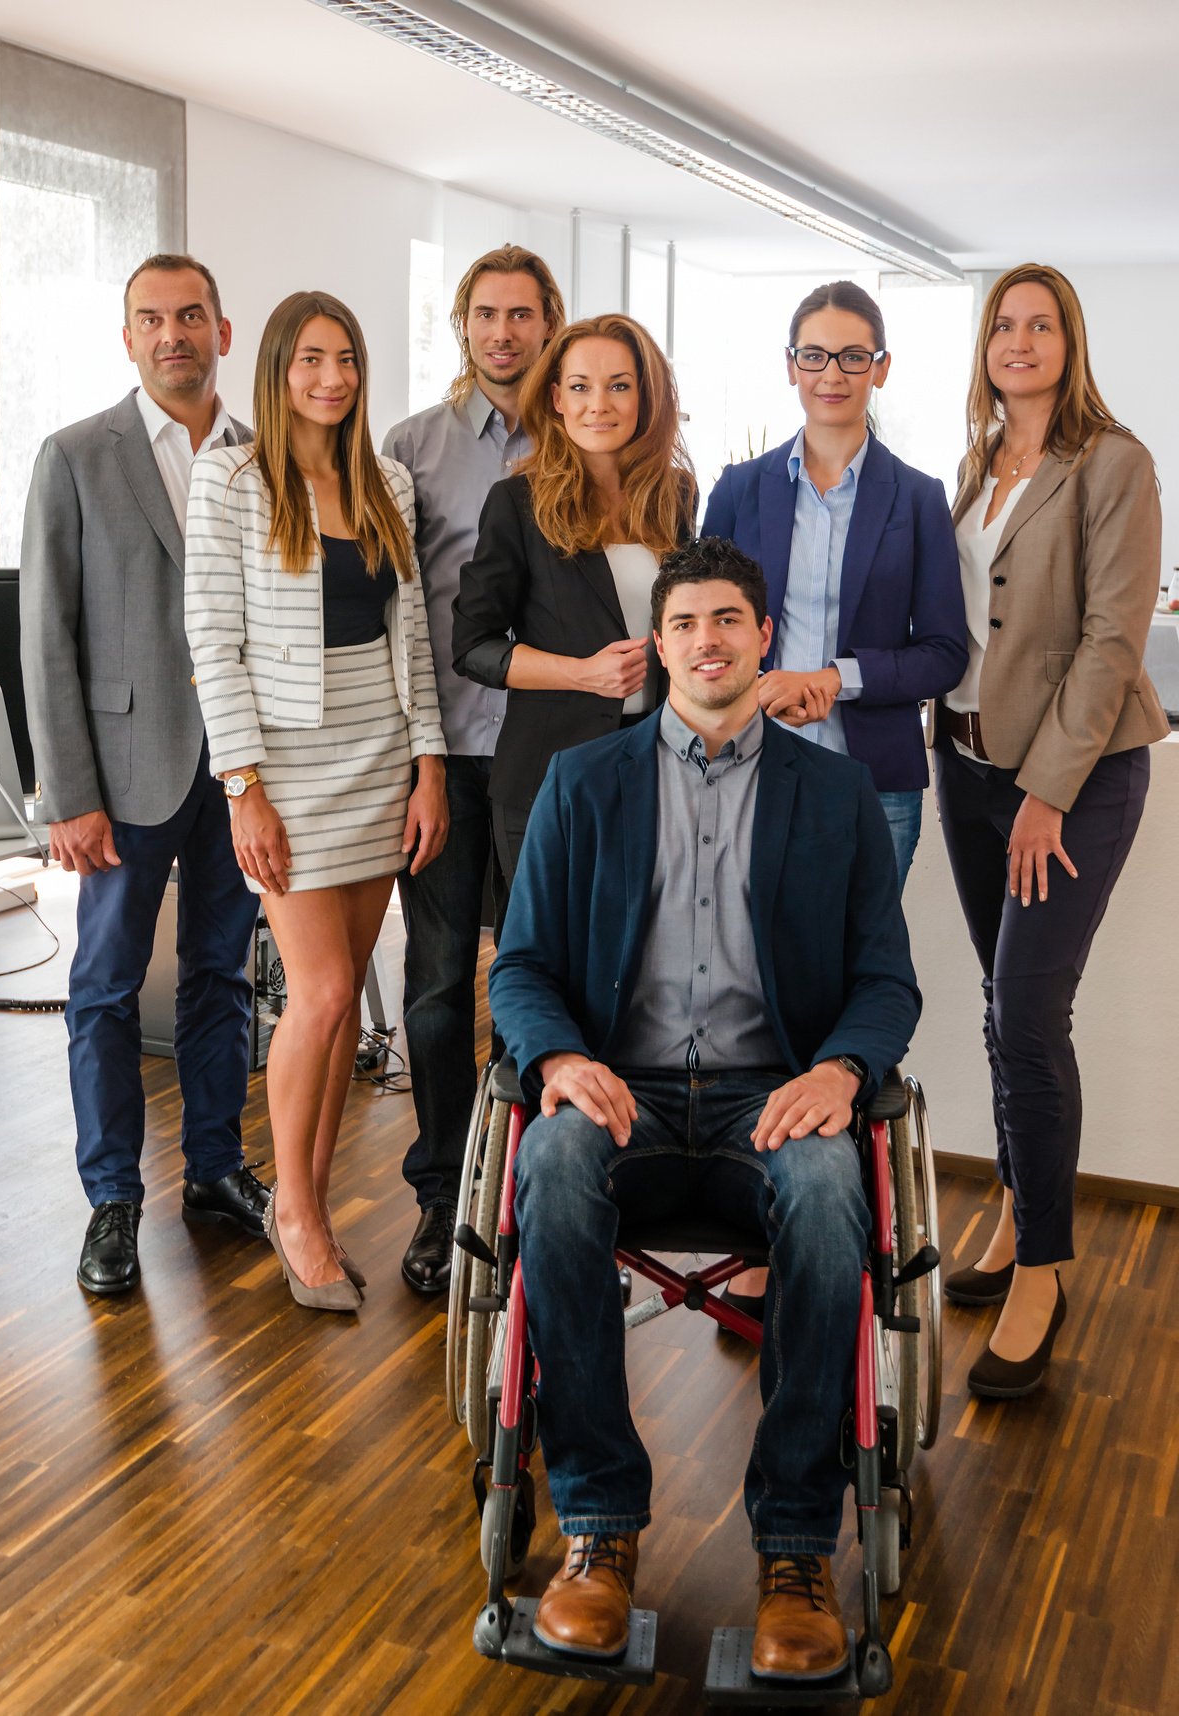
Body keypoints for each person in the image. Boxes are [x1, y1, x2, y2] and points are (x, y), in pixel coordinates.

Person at [488, 536, 920, 1679]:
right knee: (552, 1170)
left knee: (833, 1196)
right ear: (659, 643)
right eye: (684, 624)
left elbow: (886, 980)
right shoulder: (586, 783)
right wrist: (557, 1061)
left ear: (763, 636)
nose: (707, 642)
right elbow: (521, 966)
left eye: (728, 620)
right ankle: (598, 1527)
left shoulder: (831, 795)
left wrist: (840, 1075)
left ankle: (792, 1547)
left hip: (765, 1098)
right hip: (618, 1090)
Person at [185, 291, 447, 1313]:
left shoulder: (385, 481)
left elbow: (412, 640)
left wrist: (428, 765)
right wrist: (241, 788)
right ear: (279, 370)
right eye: (310, 359)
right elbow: (213, 639)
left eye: (345, 358)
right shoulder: (235, 478)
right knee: (326, 992)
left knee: (341, 1019)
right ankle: (292, 1209)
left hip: (376, 756)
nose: (330, 377)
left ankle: (316, 1203)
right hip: (286, 768)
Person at [935, 263, 1168, 1397]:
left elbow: (1115, 637)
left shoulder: (1114, 462)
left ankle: (1043, 1267)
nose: (1019, 341)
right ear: (983, 346)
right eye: (1003, 325)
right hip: (966, 766)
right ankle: (1025, 1223)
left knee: (1029, 1014)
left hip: (1071, 778)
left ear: (1070, 342)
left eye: (1040, 324)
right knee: (999, 1007)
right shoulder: (978, 466)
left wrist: (1048, 789)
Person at [20, 253, 266, 1297]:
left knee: (223, 974)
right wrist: (66, 793)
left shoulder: (269, 457)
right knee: (105, 988)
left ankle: (212, 1169)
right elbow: (47, 636)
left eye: (191, 316)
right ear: (128, 337)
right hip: (123, 775)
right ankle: (111, 1198)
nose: (173, 334)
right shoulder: (76, 455)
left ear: (223, 328)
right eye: (151, 319)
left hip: (245, 773)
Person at [382, 244, 563, 1296]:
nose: (504, 333)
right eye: (485, 315)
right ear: (462, 325)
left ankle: (540, 1191)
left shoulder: (591, 433)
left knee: (548, 981)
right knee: (442, 991)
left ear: (550, 323)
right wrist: (418, 761)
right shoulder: (411, 448)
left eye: (522, 316)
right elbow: (402, 616)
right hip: (447, 756)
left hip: (557, 765)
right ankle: (443, 1199)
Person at [703, 279, 966, 891]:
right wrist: (759, 687)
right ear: (791, 365)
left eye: (854, 357)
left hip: (875, 780)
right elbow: (702, 629)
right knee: (749, 959)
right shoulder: (739, 490)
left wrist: (833, 679)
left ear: (881, 368)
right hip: (749, 761)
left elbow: (943, 654)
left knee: (859, 966)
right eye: (814, 355)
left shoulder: (920, 499)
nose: (832, 374)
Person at [452, 311, 697, 883]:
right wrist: (582, 674)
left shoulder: (675, 497)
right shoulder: (517, 502)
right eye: (581, 387)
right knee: (545, 963)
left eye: (619, 386)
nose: (599, 405)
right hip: (548, 774)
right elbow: (474, 647)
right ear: (557, 397)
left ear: (646, 397)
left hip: (657, 766)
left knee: (639, 956)